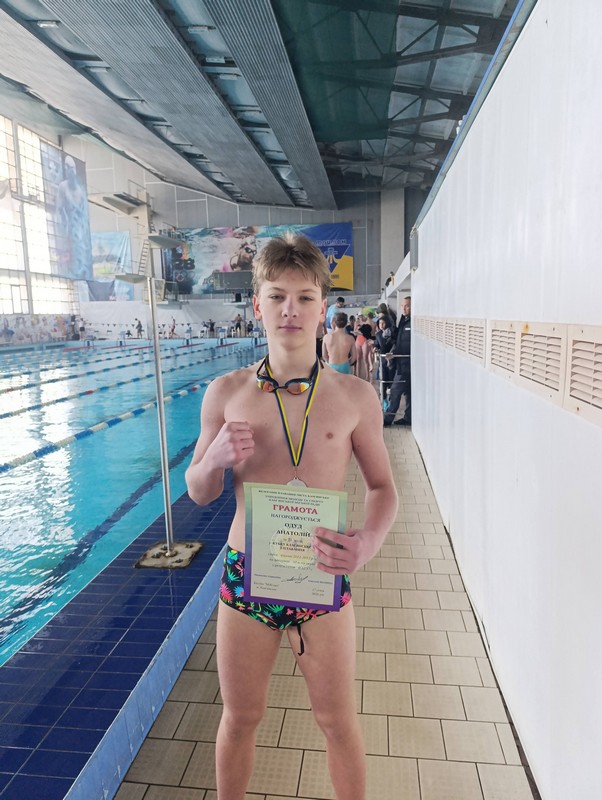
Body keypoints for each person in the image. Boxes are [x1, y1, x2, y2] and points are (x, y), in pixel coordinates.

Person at [185, 232, 398, 800]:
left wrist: (368, 543)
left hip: (321, 577)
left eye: (304, 297)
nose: (290, 310)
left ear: (322, 307)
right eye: (277, 296)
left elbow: (383, 488)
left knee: (337, 721)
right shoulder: (225, 394)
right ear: (257, 305)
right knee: (240, 718)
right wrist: (214, 460)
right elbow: (198, 492)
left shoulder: (354, 399)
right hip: (246, 578)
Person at [383, 296, 411, 426]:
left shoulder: (412, 322)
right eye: (402, 306)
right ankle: (408, 418)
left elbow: (407, 345)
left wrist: (395, 354)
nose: (404, 308)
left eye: (407, 306)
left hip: (407, 364)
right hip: (401, 362)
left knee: (395, 390)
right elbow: (399, 341)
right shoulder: (403, 320)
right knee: (408, 392)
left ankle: (388, 419)